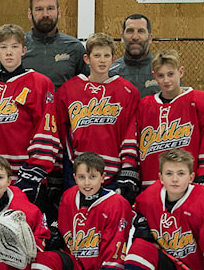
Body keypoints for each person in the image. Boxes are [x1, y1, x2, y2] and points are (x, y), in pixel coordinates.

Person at [0, 24, 59, 198]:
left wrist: (34, 172)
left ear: (24, 50)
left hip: (25, 174)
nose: (9, 52)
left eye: (14, 47)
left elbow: (46, 130)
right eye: (3, 47)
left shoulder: (40, 83)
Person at [54, 33, 141, 201]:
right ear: (87, 59)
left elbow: (131, 132)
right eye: (97, 55)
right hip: (77, 168)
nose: (102, 60)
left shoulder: (128, 91)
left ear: (113, 59)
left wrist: (128, 167)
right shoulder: (68, 90)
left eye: (106, 55)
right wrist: (57, 169)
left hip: (113, 171)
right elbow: (59, 130)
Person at [134, 49, 204, 191]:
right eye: (161, 76)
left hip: (187, 185)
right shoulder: (145, 105)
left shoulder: (199, 100)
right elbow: (135, 140)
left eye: (171, 74)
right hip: (151, 185)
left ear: (181, 72)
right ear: (154, 77)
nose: (166, 80)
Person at [21, 0, 86, 90]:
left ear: (59, 12)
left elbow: (87, 87)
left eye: (50, 8)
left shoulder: (75, 47)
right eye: (39, 9)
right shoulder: (18, 46)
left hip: (64, 106)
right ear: (30, 14)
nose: (45, 14)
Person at [109, 14, 157, 97]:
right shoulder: (110, 73)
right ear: (122, 38)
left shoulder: (164, 71)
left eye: (141, 31)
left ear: (150, 38)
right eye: (130, 31)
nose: (135, 37)